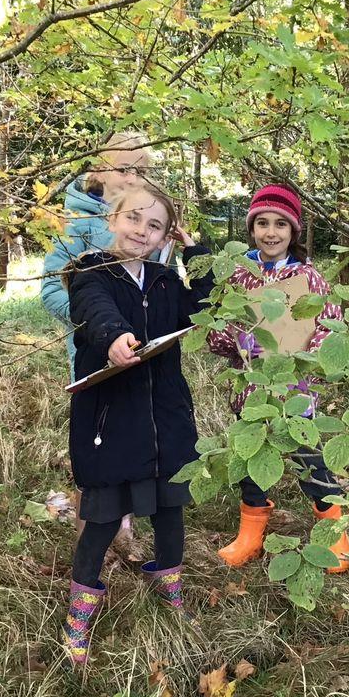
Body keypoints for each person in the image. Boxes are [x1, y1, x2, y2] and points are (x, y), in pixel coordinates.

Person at [60, 182, 213, 666]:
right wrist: (113, 337)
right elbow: (94, 309)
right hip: (111, 423)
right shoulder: (90, 271)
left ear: (167, 236)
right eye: (133, 218)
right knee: (103, 517)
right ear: (113, 219)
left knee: (170, 511)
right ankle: (80, 612)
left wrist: (196, 253)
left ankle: (170, 589)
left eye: (155, 226)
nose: (142, 231)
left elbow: (206, 306)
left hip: (167, 421)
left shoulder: (166, 281)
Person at [206, 184, 349, 574]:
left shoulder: (309, 278)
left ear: (293, 231)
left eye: (280, 225)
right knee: (252, 459)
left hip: (295, 390)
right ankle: (251, 535)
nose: (271, 232)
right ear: (251, 228)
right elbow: (216, 332)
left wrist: (306, 359)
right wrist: (237, 340)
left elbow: (330, 327)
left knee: (310, 460)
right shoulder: (240, 277)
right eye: (263, 223)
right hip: (252, 389)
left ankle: (335, 533)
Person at [41, 134, 157, 549]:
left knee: (133, 441)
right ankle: (90, 542)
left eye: (141, 171)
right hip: (96, 362)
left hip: (142, 357)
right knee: (97, 447)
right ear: (98, 169)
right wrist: (102, 327)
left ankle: (123, 532)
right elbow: (52, 290)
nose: (133, 178)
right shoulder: (76, 224)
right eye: (124, 168)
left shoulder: (147, 220)